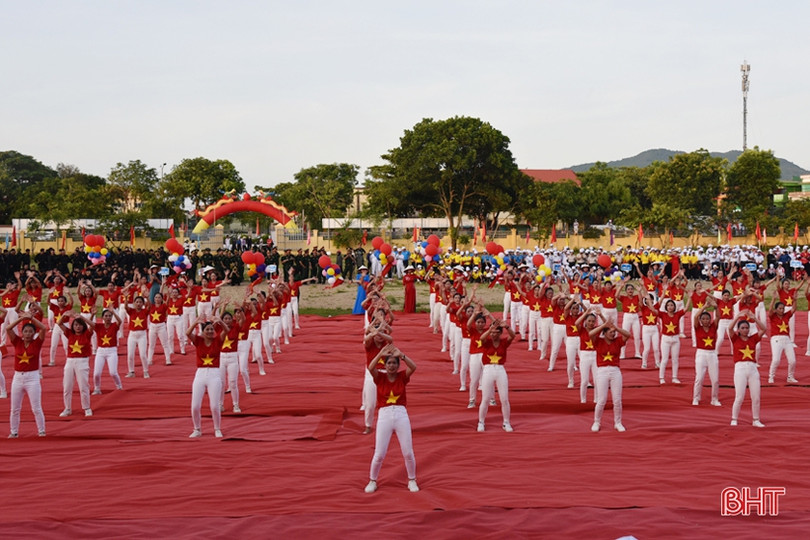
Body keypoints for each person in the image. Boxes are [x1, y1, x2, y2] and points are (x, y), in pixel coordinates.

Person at [363, 343, 418, 494]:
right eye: (389, 363)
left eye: (394, 363)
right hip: (384, 415)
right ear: (385, 365)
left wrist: (402, 356)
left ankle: (412, 479)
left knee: (408, 452)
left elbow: (413, 367)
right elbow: (370, 368)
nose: (391, 366)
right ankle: (372, 480)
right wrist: (380, 354)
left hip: (401, 415)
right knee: (379, 453)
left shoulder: (402, 377)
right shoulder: (380, 378)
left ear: (398, 365)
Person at [6, 312, 48, 437]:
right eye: (25, 331)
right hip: (18, 378)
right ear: (22, 333)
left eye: (30, 332)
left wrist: (31, 318)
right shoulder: (17, 342)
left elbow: (44, 328)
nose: (28, 334)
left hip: (32, 378)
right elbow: (8, 328)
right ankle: (14, 432)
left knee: (36, 408)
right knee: (15, 408)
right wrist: (22, 319)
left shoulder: (37, 343)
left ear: (34, 333)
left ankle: (41, 431)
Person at [185, 315, 226, 438]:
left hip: (214, 374)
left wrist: (220, 321)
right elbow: (188, 333)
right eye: (207, 329)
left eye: (211, 329)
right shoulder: (198, 341)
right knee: (195, 406)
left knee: (214, 406)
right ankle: (197, 429)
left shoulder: (218, 341)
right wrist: (195, 322)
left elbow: (226, 331)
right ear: (203, 331)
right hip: (200, 374)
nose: (210, 331)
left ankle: (217, 429)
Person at [589, 320, 631, 432]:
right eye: (610, 332)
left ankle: (618, 422)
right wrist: (604, 325)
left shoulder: (618, 341)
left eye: (614, 332)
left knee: (617, 400)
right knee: (601, 400)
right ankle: (596, 422)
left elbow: (628, 334)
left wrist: (616, 328)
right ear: (604, 333)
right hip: (602, 371)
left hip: (615, 371)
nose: (613, 334)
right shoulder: (598, 341)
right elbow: (591, 334)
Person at [477, 318, 516, 433]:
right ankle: (481, 422)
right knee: (485, 398)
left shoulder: (503, 342)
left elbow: (512, 336)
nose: (493, 334)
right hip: (488, 369)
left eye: (496, 332)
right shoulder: (487, 342)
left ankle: (506, 422)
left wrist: (507, 326)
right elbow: (481, 338)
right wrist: (489, 330)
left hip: (500, 369)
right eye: (492, 333)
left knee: (504, 398)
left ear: (500, 333)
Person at [728, 311, 766, 427]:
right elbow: (730, 329)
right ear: (738, 330)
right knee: (739, 396)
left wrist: (755, 318)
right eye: (743, 328)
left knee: (756, 397)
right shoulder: (735, 339)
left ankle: (756, 419)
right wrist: (737, 317)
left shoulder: (753, 339)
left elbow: (763, 329)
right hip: (740, 368)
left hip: (753, 369)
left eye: (747, 328)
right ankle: (734, 418)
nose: (745, 330)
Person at [57, 314, 94, 417]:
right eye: (75, 325)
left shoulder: (86, 334)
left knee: (83, 386)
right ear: (72, 326)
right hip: (70, 361)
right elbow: (59, 323)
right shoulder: (69, 334)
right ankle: (67, 408)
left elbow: (93, 325)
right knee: (67, 386)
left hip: (82, 361)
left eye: (80, 325)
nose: (77, 327)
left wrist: (83, 318)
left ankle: (86, 407)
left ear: (83, 326)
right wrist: (65, 315)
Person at [692, 298, 721, 406]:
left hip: (712, 354)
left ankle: (714, 399)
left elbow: (718, 317)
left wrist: (716, 307)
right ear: (700, 320)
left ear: (710, 320)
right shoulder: (698, 328)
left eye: (707, 319)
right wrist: (704, 306)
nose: (705, 321)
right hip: (701, 354)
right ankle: (696, 398)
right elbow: (695, 317)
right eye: (703, 319)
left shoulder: (713, 327)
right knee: (699, 378)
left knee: (715, 379)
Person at [92, 309, 123, 395]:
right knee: (96, 373)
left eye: (109, 316)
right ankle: (97, 388)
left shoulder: (114, 326)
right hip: (100, 351)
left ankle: (119, 386)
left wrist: (114, 313)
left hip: (112, 351)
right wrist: (92, 315)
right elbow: (89, 323)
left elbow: (120, 321)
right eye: (106, 316)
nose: (108, 318)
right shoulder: (99, 326)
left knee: (113, 372)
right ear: (102, 317)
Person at [767, 298, 798, 384]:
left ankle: (790, 377)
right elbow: (770, 310)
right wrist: (773, 300)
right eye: (780, 308)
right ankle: (771, 376)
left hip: (787, 339)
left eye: (783, 308)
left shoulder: (786, 315)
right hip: (776, 339)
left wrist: (795, 300)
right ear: (776, 309)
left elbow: (794, 309)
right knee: (776, 360)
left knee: (792, 361)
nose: (782, 310)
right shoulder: (773, 316)